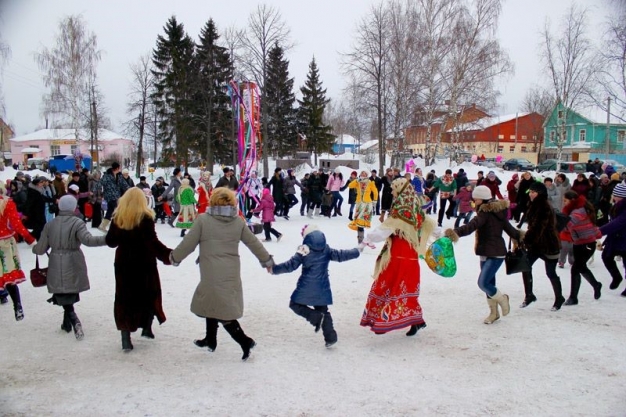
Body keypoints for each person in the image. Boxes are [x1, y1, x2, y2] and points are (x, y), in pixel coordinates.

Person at [170, 187, 274, 361]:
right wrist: (267, 261)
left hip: (210, 271)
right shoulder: (238, 222)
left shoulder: (203, 220)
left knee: (222, 309)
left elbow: (188, 243)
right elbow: (254, 243)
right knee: (215, 302)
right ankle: (210, 340)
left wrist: (175, 257)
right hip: (231, 271)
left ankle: (245, 341)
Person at [361, 178, 436, 335]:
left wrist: (368, 239)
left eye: (394, 189)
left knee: (390, 285)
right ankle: (416, 321)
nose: (392, 192)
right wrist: (444, 235)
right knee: (405, 288)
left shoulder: (401, 211)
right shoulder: (415, 208)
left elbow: (385, 229)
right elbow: (429, 225)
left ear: (401, 190)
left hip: (398, 256)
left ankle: (384, 321)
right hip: (411, 257)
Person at [105, 188, 173, 352]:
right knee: (148, 292)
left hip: (123, 262)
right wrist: (168, 255)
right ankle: (146, 326)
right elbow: (152, 242)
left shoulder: (118, 217)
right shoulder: (146, 218)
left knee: (124, 297)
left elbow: (111, 241)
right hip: (144, 262)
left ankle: (125, 336)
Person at [271, 224, 360, 348]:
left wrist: (274, 269)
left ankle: (315, 317)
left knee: (295, 304)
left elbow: (290, 265)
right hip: (322, 286)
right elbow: (341, 255)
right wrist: (357, 251)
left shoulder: (303, 250)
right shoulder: (327, 249)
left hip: (306, 285)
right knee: (323, 310)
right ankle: (331, 337)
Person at [32, 195, 107, 339]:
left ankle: (67, 323)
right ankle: (74, 321)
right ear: (73, 207)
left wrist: (34, 249)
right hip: (73, 260)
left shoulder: (50, 224)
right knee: (68, 292)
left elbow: (40, 249)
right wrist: (107, 239)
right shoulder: (77, 223)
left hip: (55, 261)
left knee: (62, 292)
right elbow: (89, 240)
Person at [445, 185, 520, 324]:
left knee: (483, 283)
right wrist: (518, 236)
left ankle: (503, 299)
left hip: (496, 253)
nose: (474, 200)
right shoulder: (498, 211)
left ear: (482, 199)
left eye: (476, 198)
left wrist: (455, 233)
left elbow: (471, 226)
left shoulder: (485, 212)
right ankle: (494, 313)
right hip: (485, 252)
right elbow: (510, 229)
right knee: (490, 283)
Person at [518, 182, 565, 311]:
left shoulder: (543, 206)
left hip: (549, 244)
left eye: (534, 192)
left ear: (541, 193)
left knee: (550, 272)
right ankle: (529, 295)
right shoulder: (533, 204)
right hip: (536, 245)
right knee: (525, 266)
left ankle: (559, 297)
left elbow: (538, 227)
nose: (531, 194)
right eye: (530, 192)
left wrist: (525, 240)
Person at [0, 182, 35, 321]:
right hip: (6, 243)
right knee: (8, 275)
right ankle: (18, 306)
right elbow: (16, 224)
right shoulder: (7, 203)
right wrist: (29, 238)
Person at [562, 190, 603, 305]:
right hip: (579, 242)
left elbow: (568, 224)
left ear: (572, 201)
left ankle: (573, 297)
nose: (564, 203)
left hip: (587, 243)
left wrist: (557, 223)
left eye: (565, 201)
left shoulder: (578, 211)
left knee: (575, 269)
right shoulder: (574, 209)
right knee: (581, 267)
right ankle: (596, 284)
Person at [599, 182, 626, 296]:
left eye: (615, 195)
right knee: (606, 256)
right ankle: (616, 276)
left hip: (624, 239)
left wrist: (599, 231)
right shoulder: (617, 206)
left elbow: (617, 223)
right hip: (616, 238)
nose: (613, 197)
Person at [348, 171, 379, 244]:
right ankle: (360, 241)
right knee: (359, 223)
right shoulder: (357, 182)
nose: (363, 175)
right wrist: (356, 180)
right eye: (362, 173)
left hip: (366, 204)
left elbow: (375, 191)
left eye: (365, 174)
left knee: (361, 223)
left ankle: (360, 241)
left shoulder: (370, 182)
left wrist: (375, 200)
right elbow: (350, 186)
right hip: (359, 204)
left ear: (367, 175)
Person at [100, 162, 130, 232]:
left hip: (116, 196)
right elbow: (100, 183)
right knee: (119, 211)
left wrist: (131, 190)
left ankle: (103, 226)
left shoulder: (119, 176)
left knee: (110, 211)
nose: (120, 169)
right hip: (110, 196)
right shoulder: (106, 176)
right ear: (117, 168)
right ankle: (120, 227)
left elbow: (124, 185)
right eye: (119, 167)